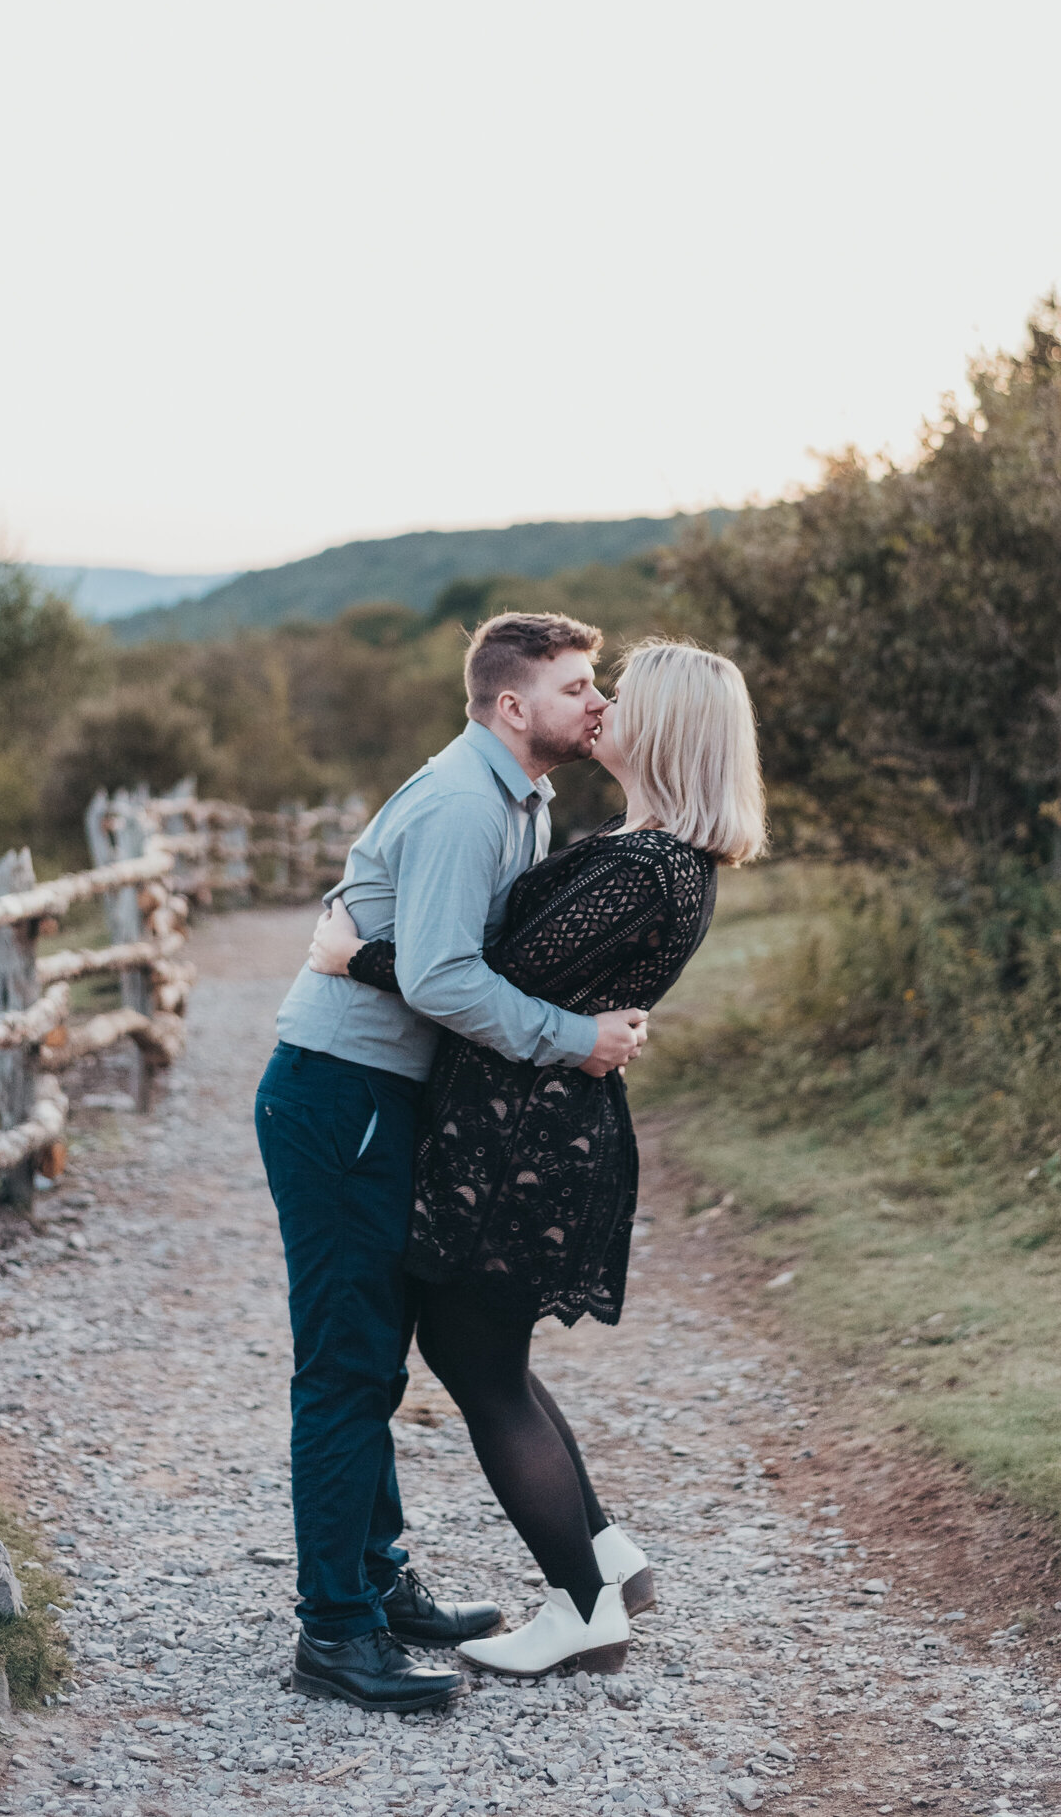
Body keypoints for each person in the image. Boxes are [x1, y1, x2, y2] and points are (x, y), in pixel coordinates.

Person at [307, 638, 766, 1678]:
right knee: (487, 1357)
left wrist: (353, 955)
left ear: (668, 731)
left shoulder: (645, 867)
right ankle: (602, 1557)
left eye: (621, 697)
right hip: (522, 1132)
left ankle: (580, 1606)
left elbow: (476, 978)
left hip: (522, 1144)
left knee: (478, 1365)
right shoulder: (643, 850)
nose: (601, 709)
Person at [255, 611, 651, 1714]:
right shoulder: (463, 803)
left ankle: (378, 1586)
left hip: (383, 1098)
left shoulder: (517, 797)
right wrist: (575, 1041)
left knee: (375, 1357)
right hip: (343, 1096)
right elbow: (438, 978)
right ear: (513, 705)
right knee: (347, 1369)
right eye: (579, 687)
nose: (598, 705)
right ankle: (334, 1632)